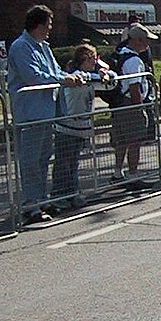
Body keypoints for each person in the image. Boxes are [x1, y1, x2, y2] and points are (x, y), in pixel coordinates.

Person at [7, 5, 83, 223]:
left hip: (48, 112)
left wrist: (74, 76)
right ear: (38, 25)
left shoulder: (44, 47)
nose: (50, 29)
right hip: (30, 113)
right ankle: (30, 206)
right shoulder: (21, 47)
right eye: (48, 25)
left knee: (43, 158)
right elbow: (33, 76)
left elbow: (56, 71)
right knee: (30, 161)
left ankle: (42, 199)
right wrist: (62, 80)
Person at [52, 44, 114, 210]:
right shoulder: (76, 77)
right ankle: (59, 195)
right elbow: (84, 77)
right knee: (63, 163)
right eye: (94, 59)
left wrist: (104, 71)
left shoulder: (93, 76)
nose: (96, 62)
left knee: (73, 163)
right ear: (85, 59)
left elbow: (112, 82)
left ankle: (73, 193)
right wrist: (99, 73)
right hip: (67, 127)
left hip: (82, 127)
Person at [112, 23, 157, 186]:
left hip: (119, 103)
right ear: (138, 40)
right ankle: (133, 175)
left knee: (122, 140)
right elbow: (134, 87)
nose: (148, 44)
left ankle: (118, 172)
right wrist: (140, 109)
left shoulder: (121, 54)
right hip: (131, 104)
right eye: (146, 40)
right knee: (134, 140)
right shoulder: (134, 61)